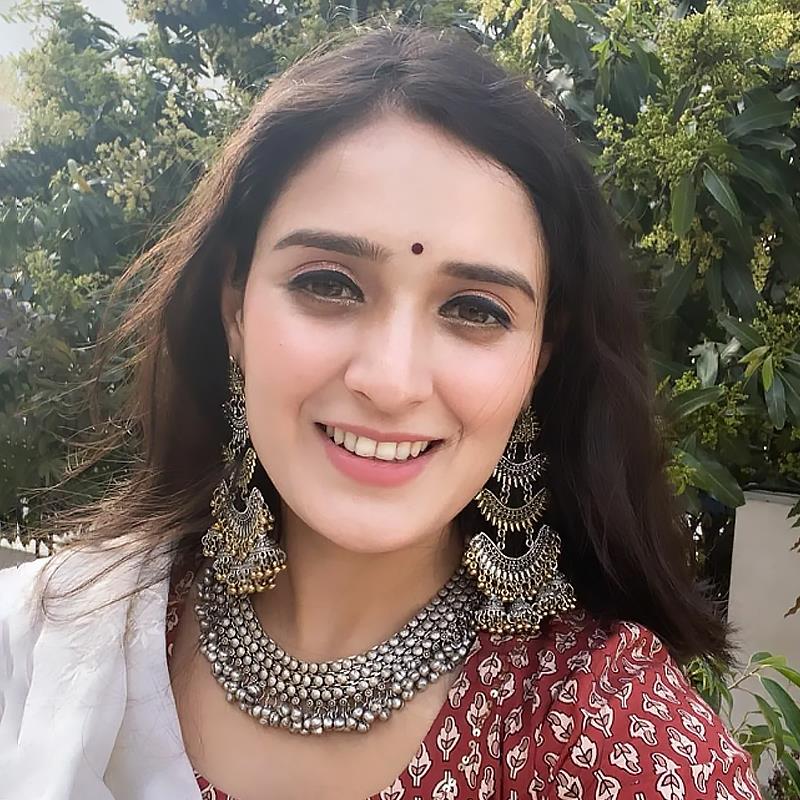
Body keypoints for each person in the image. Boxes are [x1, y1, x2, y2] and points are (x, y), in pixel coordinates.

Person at [0, 23, 762, 800]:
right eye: (328, 284)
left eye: (475, 309)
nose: (391, 382)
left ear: (540, 358)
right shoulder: (56, 644)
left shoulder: (610, 739)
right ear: (235, 307)